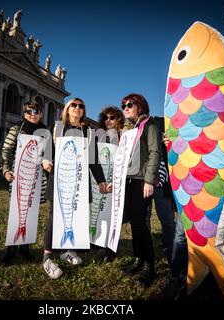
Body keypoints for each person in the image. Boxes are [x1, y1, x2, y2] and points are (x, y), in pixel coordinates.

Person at [162, 100, 224, 299]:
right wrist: (171, 143)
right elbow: (178, 152)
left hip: (220, 185)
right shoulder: (185, 112)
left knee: (218, 239)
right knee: (180, 235)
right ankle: (178, 277)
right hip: (191, 187)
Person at [41, 97, 107, 279]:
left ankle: (67, 250)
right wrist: (45, 161)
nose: (77, 108)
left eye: (81, 106)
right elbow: (46, 151)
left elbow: (94, 159)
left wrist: (100, 179)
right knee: (55, 217)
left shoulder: (88, 131)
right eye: (73, 106)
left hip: (80, 181)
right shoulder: (56, 128)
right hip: (60, 180)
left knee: (77, 216)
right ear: (67, 109)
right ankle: (47, 257)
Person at [119, 94, 160, 288]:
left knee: (140, 222)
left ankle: (149, 265)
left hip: (142, 180)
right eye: (123, 106)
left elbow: (154, 152)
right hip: (128, 180)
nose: (125, 108)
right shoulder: (131, 129)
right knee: (134, 223)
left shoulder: (149, 125)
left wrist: (149, 180)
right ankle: (138, 259)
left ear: (140, 106)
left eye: (129, 105)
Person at [1, 101, 47, 265]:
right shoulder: (16, 129)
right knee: (16, 212)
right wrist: (6, 169)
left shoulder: (45, 132)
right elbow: (7, 150)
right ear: (24, 113)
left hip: (36, 179)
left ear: (41, 113)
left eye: (36, 111)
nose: (33, 114)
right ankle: (11, 249)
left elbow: (48, 154)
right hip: (18, 178)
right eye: (29, 111)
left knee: (31, 213)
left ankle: (25, 248)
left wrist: (47, 162)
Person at [92, 106, 125, 263]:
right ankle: (96, 242)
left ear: (118, 119)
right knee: (97, 212)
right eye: (106, 118)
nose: (109, 120)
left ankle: (111, 248)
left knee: (113, 216)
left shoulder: (123, 136)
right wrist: (99, 180)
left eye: (112, 117)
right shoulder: (98, 135)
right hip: (99, 181)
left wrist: (115, 180)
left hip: (116, 182)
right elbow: (93, 159)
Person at [145, 116, 176, 268]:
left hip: (162, 182)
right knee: (145, 219)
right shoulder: (138, 129)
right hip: (145, 180)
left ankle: (171, 252)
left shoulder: (164, 126)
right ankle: (147, 255)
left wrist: (170, 144)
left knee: (168, 220)